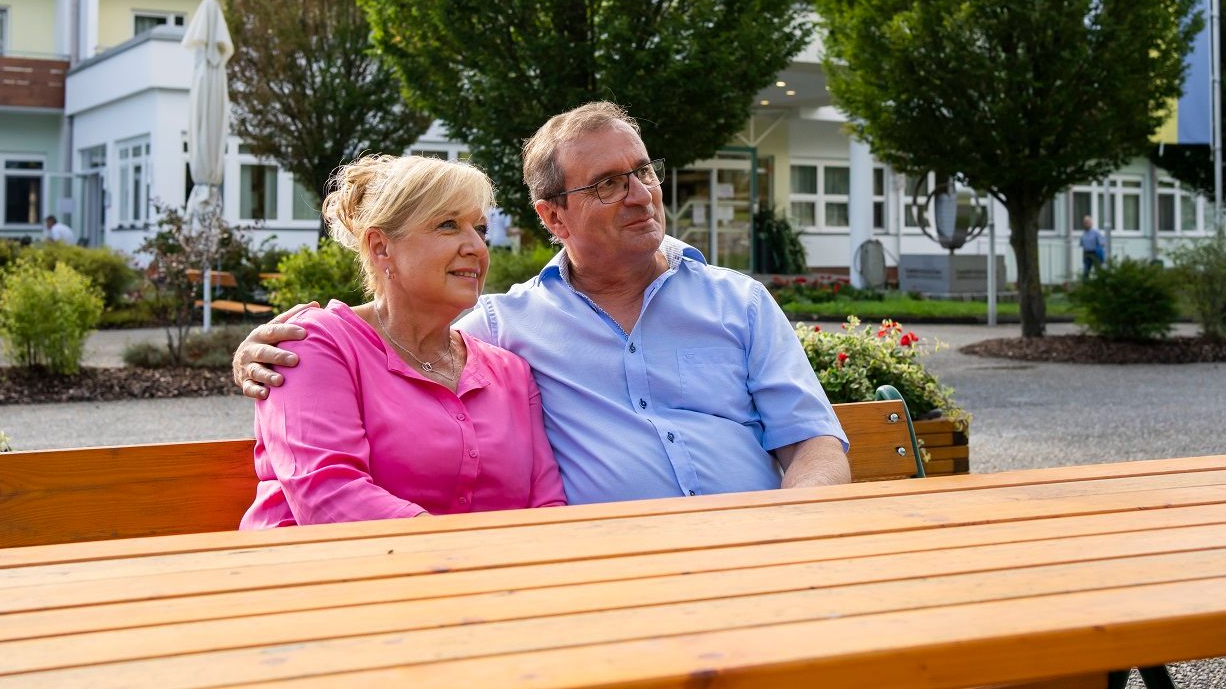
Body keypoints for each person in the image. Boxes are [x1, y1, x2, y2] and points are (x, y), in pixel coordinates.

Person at [235, 102, 849, 505]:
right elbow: (396, 336)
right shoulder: (506, 330)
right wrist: (265, 348)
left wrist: (790, 535)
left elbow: (813, 441)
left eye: (644, 172)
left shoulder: (739, 302)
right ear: (553, 216)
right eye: (608, 184)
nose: (641, 196)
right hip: (603, 582)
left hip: (756, 556)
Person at [238, 153, 565, 527]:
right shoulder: (314, 344)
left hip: (483, 581)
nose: (476, 246)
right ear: (380, 248)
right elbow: (328, 494)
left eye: (480, 229)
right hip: (325, 577)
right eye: (447, 225)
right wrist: (467, 558)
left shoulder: (510, 371)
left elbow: (547, 503)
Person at [1079, 213, 1107, 280]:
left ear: (1091, 223)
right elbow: (1082, 245)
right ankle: (1085, 286)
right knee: (1086, 271)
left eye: (1087, 222)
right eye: (1085, 222)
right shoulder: (1083, 234)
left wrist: (1100, 253)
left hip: (1095, 253)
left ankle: (1101, 285)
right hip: (1086, 254)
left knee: (1098, 271)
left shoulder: (1095, 233)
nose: (1086, 224)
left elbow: (1102, 243)